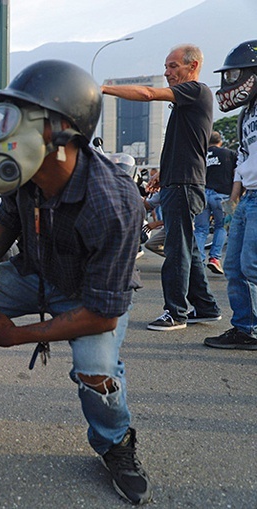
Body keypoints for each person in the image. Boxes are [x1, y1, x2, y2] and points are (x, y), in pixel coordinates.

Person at [0, 60, 151, 505]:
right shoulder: (29, 173)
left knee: (96, 373)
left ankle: (114, 443)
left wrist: (18, 335)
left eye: (18, 120)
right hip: (37, 275)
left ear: (63, 132)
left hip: (90, 298)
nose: (3, 134)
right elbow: (7, 222)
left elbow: (102, 315)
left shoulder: (113, 201)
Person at [102, 43, 221, 331]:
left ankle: (175, 313)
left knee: (177, 249)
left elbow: (147, 93)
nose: (167, 72)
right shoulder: (184, 103)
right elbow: (183, 144)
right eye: (166, 66)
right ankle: (205, 306)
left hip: (183, 184)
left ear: (192, 66)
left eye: (173, 66)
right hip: (177, 181)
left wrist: (103, 90)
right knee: (189, 249)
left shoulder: (196, 90)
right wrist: (160, 174)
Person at [204, 40, 257, 350]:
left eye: (236, 74)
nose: (229, 83)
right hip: (247, 197)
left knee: (252, 265)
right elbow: (243, 158)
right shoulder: (247, 113)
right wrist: (235, 199)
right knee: (234, 266)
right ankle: (244, 327)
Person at [194, 131, 238, 274]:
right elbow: (237, 173)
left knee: (201, 229)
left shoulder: (201, 154)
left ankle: (198, 260)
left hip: (203, 194)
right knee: (221, 227)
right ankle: (214, 258)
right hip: (223, 195)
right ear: (220, 142)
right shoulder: (230, 154)